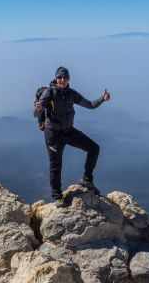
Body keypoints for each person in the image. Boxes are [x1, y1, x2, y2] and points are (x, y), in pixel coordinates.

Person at [35, 66, 111, 207]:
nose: (62, 80)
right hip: (53, 135)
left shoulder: (71, 94)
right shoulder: (49, 93)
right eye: (59, 77)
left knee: (94, 148)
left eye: (65, 77)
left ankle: (87, 180)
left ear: (69, 79)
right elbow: (37, 110)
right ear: (56, 78)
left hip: (68, 131)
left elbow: (90, 105)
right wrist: (38, 110)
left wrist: (102, 99)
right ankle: (57, 196)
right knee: (56, 166)